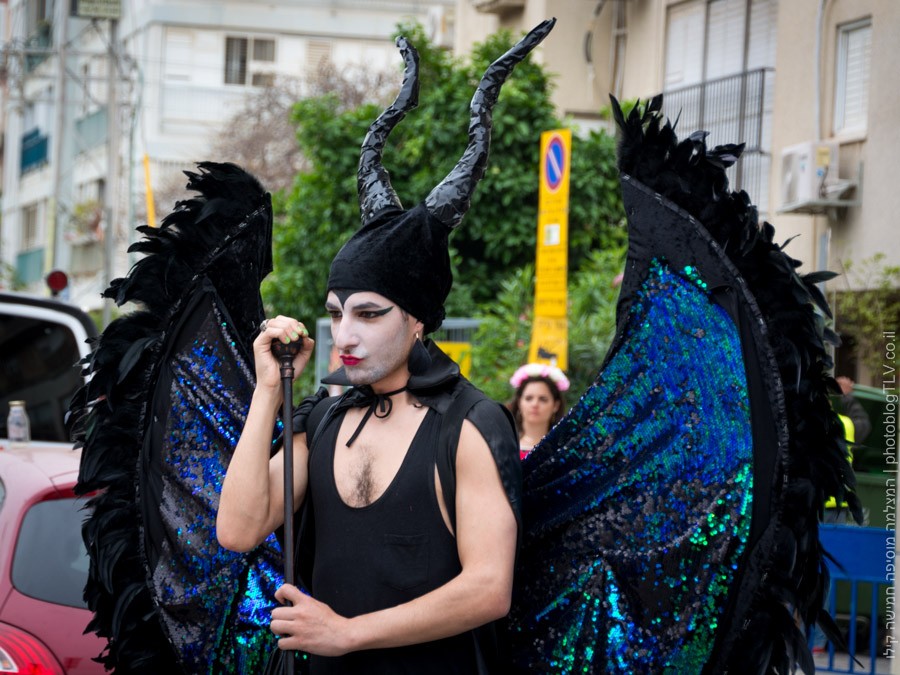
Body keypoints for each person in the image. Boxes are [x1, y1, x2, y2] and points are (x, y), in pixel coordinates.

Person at [217, 20, 554, 674]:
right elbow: (236, 528)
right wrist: (266, 392)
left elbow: (488, 587)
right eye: (337, 312)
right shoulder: (324, 417)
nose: (345, 334)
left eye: (370, 314)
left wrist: (348, 633)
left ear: (419, 321)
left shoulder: (471, 422)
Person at [507, 363, 569, 459]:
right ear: (519, 402)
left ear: (556, 405)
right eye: (529, 398)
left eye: (543, 399)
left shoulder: (565, 449)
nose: (535, 404)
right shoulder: (504, 447)